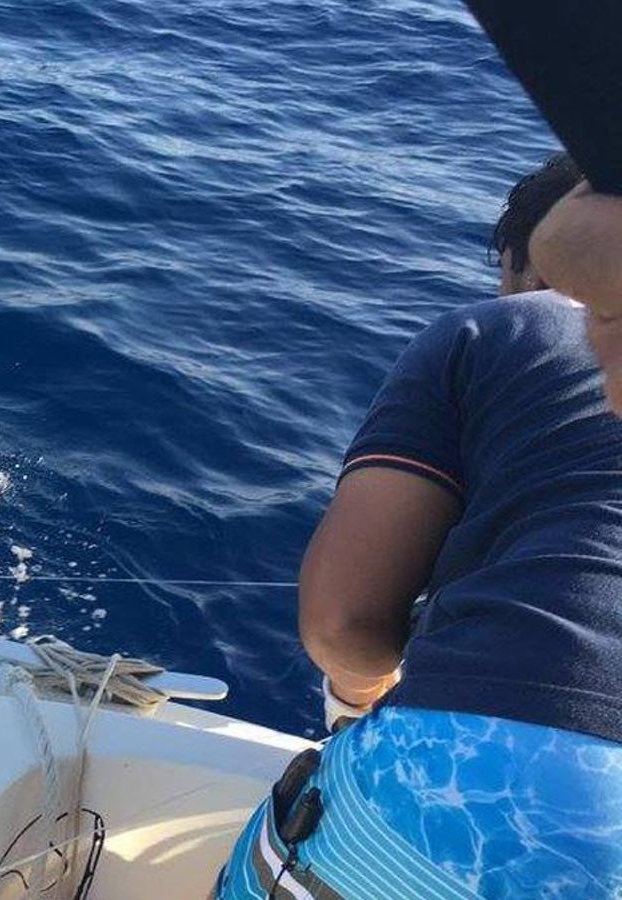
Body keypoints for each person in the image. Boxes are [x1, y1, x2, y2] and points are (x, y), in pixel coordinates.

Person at [214, 153, 622, 899]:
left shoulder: (505, 325)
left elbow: (342, 621)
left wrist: (354, 702)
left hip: (485, 784)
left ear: (525, 267)